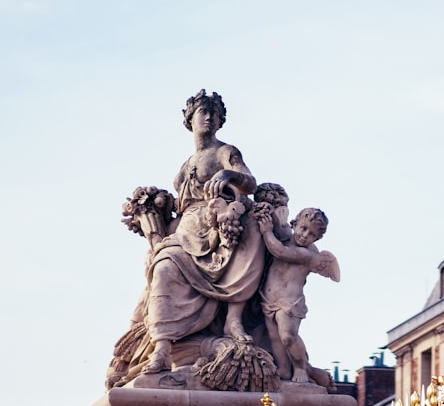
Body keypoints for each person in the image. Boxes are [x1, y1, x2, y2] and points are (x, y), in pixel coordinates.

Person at [137, 89, 266, 375]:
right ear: (190, 120)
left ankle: (231, 321)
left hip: (217, 228)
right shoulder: (184, 168)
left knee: (165, 263)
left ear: (220, 122)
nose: (208, 118)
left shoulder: (225, 152)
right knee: (163, 267)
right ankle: (161, 349)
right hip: (186, 232)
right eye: (202, 113)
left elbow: (251, 183)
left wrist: (228, 174)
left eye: (214, 114)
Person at [254, 207, 340, 383]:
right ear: (294, 224)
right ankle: (284, 368)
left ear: (317, 238)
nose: (305, 235)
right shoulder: (286, 238)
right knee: (275, 338)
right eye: (303, 228)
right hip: (269, 299)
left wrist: (267, 231)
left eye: (311, 234)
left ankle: (300, 367)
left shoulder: (306, 254)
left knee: (288, 336)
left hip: (290, 303)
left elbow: (279, 251)